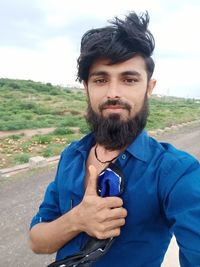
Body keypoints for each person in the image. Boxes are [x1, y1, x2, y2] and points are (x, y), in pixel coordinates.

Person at [29, 11, 200, 266]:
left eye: (129, 79)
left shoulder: (175, 172)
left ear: (149, 88)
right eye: (100, 79)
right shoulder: (71, 156)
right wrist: (77, 220)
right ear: (87, 87)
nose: (113, 93)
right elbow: (37, 241)